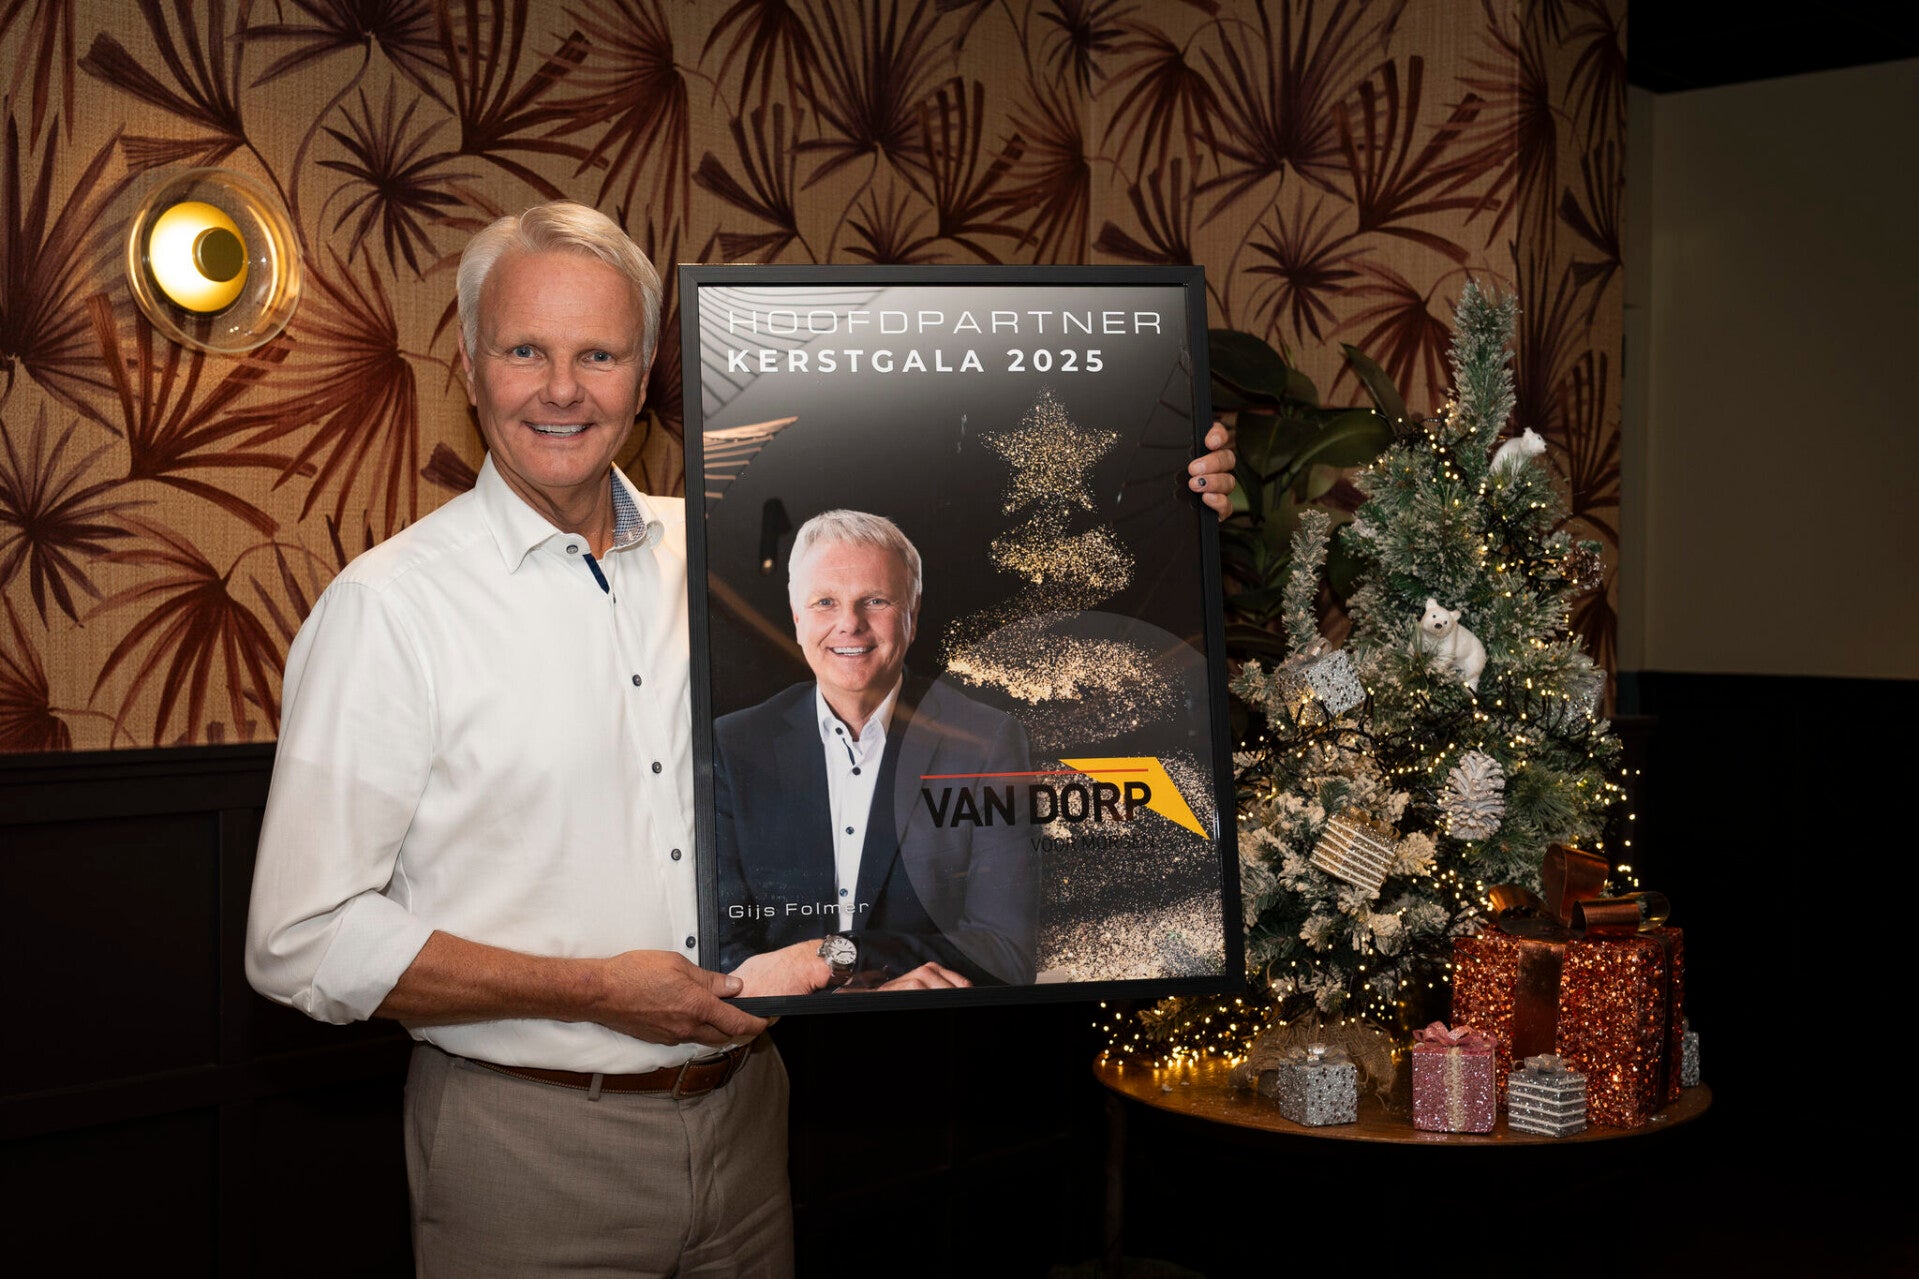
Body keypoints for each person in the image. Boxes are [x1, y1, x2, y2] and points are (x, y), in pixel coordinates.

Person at [244, 199, 1239, 1277]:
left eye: (598, 353)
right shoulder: (390, 609)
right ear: (469, 366)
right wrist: (591, 989)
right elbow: (301, 939)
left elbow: (952, 538)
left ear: (644, 375)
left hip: (749, 1122)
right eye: (525, 349)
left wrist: (1166, 502)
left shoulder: (712, 562)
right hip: (529, 1143)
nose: (562, 388)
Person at [716, 511, 1037, 996]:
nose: (850, 623)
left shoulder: (986, 742)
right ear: (797, 616)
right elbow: (722, 953)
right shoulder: (734, 744)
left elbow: (1007, 950)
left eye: (876, 601)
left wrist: (834, 957)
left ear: (913, 612)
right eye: (825, 602)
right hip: (780, 1035)